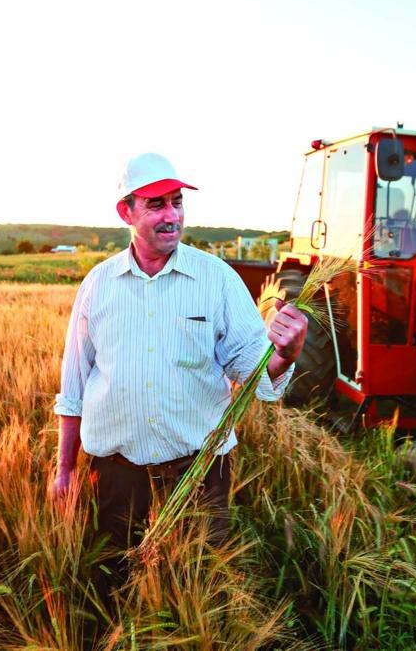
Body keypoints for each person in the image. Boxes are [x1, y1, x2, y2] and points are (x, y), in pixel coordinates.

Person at [48, 152, 309, 588]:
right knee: (115, 582)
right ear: (125, 212)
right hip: (115, 473)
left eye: (176, 202)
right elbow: (74, 385)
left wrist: (285, 353)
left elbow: (257, 375)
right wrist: (64, 470)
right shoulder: (98, 284)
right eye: (156, 205)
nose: (172, 216)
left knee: (198, 584)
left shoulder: (218, 280)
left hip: (199, 472)